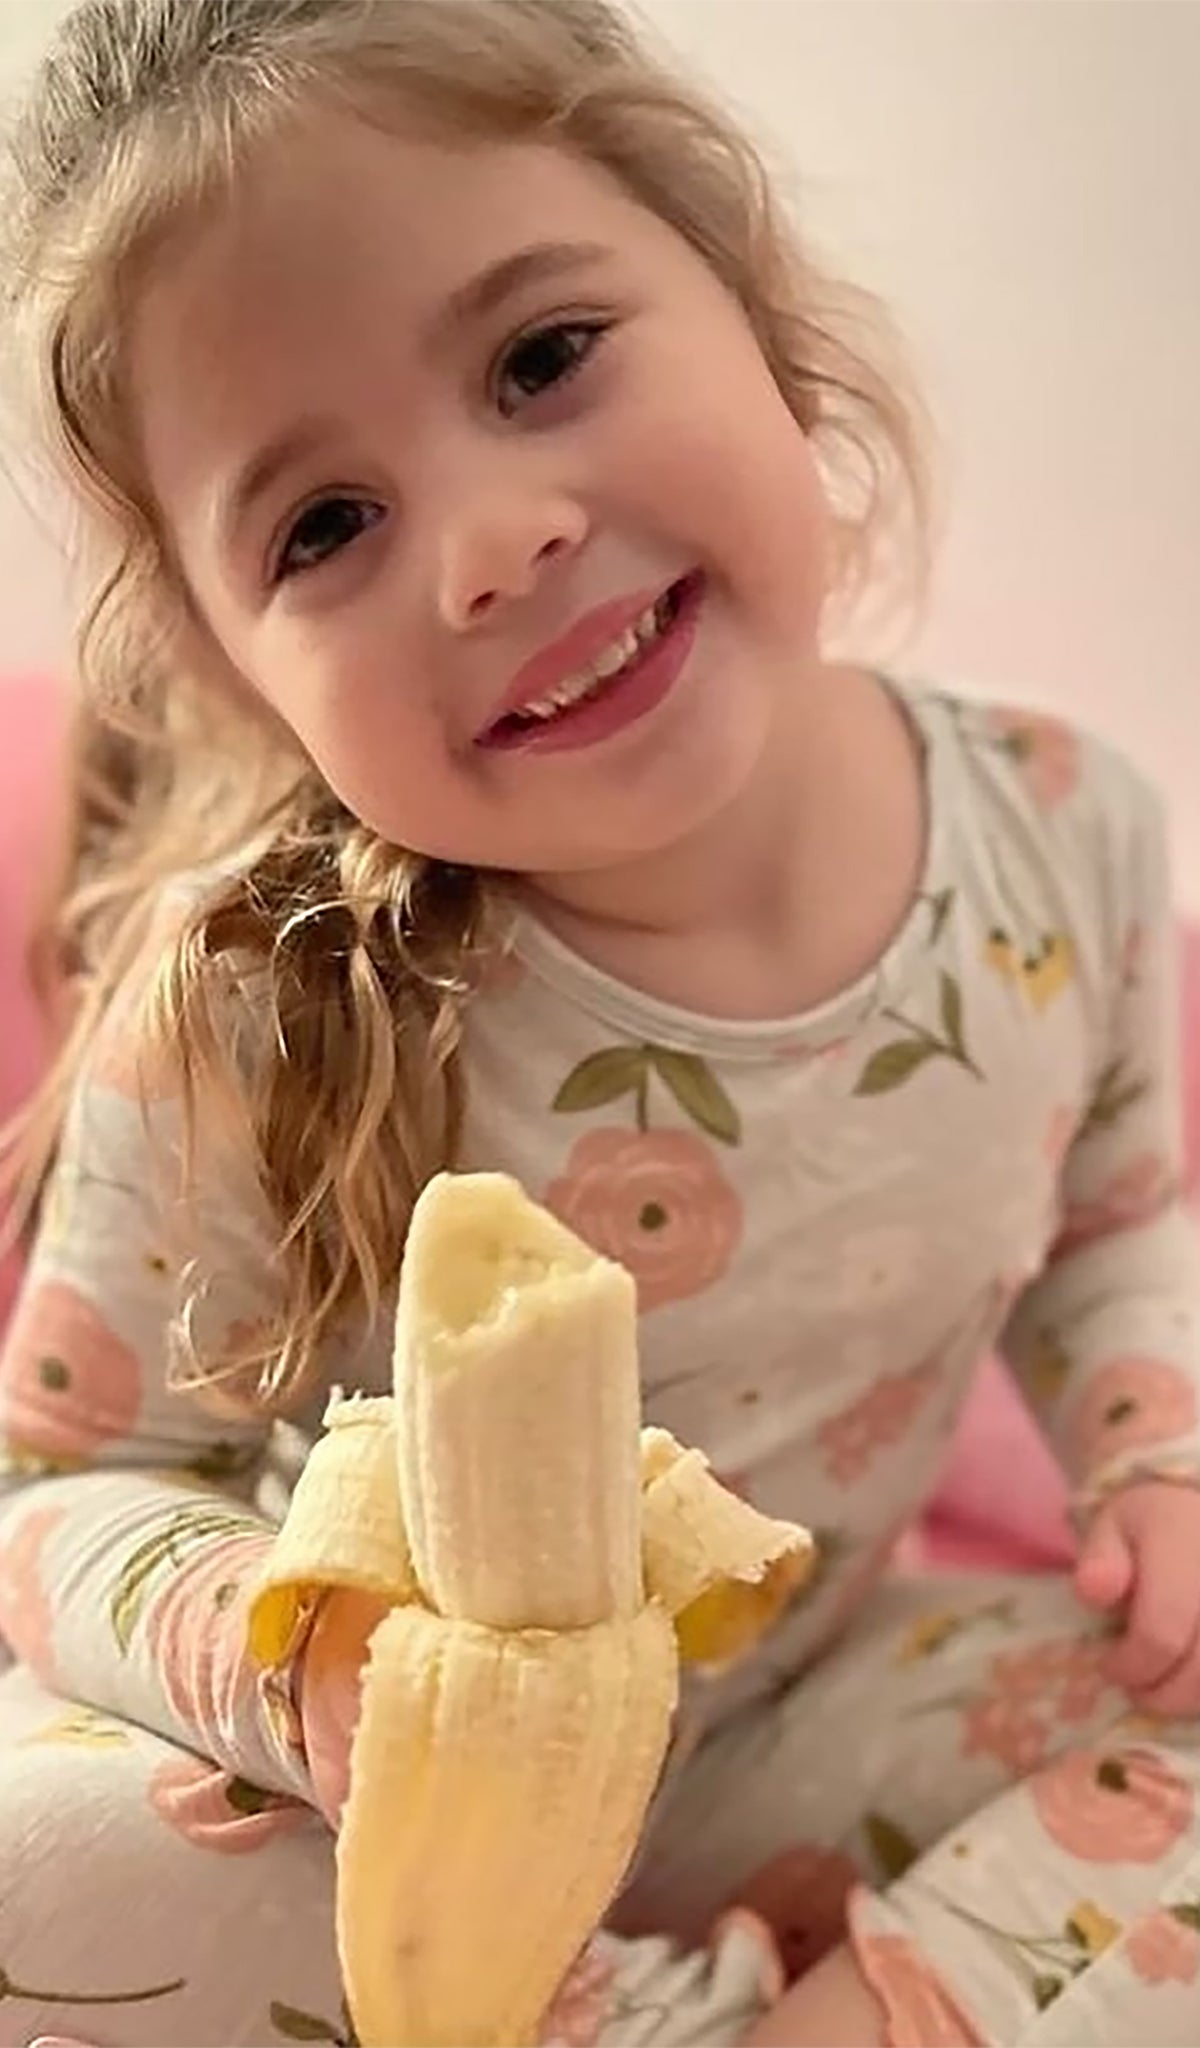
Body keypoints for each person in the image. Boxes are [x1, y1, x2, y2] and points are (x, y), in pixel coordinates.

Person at [0, 2, 1198, 2043]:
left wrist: (1151, 1452)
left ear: (752, 307)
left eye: (541, 359)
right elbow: (59, 1505)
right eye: (325, 526)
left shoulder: (1065, 832)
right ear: (239, 679)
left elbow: (1113, 1211)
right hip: (354, 1794)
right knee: (54, 1885)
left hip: (797, 1706)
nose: (491, 542)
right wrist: (296, 1664)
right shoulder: (258, 996)